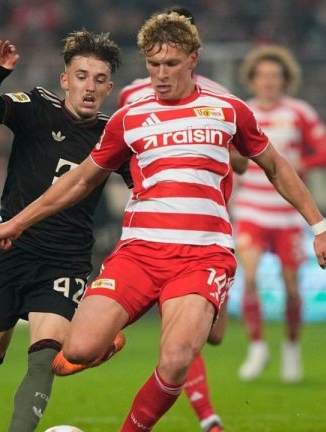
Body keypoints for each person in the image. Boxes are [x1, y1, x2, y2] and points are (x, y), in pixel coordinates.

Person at [0, 12, 326, 431]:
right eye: (153, 64)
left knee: (175, 359)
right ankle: (111, 339)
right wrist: (17, 223)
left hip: (202, 256)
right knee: (77, 349)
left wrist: (319, 226)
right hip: (138, 253)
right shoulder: (129, 118)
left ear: (193, 59)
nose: (161, 74)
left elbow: (274, 166)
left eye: (171, 64)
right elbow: (79, 181)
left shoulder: (227, 110)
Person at [0, 31, 130, 432]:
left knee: (44, 356)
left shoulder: (113, 135)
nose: (90, 86)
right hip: (11, 249)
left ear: (109, 87)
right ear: (65, 79)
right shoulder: (36, 106)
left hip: (64, 260)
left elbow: (142, 183)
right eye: (81, 75)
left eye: (99, 79)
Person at [116, 7, 237, 432]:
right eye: (157, 59)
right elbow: (116, 146)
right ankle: (208, 418)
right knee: (181, 336)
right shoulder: (133, 95)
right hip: (155, 227)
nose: (165, 67)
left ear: (192, 50)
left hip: (209, 224)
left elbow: (238, 157)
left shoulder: (219, 98)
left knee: (214, 335)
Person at [232, 45, 326, 383]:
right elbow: (232, 158)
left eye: (275, 76)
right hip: (252, 209)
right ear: (252, 79)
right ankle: (257, 347)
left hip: (288, 215)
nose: (269, 82)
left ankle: (291, 349)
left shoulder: (299, 112)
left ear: (285, 80)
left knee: (292, 289)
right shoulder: (242, 112)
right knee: (248, 279)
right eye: (263, 76)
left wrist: (298, 167)